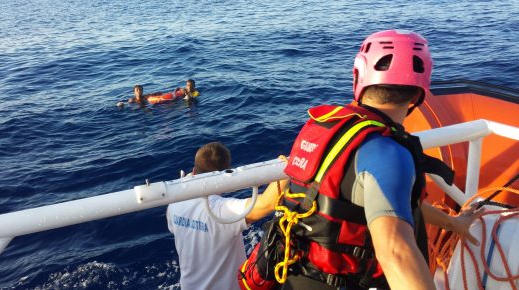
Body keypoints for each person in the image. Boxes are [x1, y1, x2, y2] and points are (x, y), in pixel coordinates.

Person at [240, 30, 481, 290]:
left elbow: (390, 202)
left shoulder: (325, 128)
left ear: (358, 76)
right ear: (418, 94)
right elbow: (395, 253)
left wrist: (453, 223)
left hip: (291, 276)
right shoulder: (388, 152)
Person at [167, 142, 287, 290]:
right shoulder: (220, 211)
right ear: (226, 175)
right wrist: (289, 167)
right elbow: (268, 203)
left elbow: (175, 228)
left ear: (194, 170)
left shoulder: (174, 203)